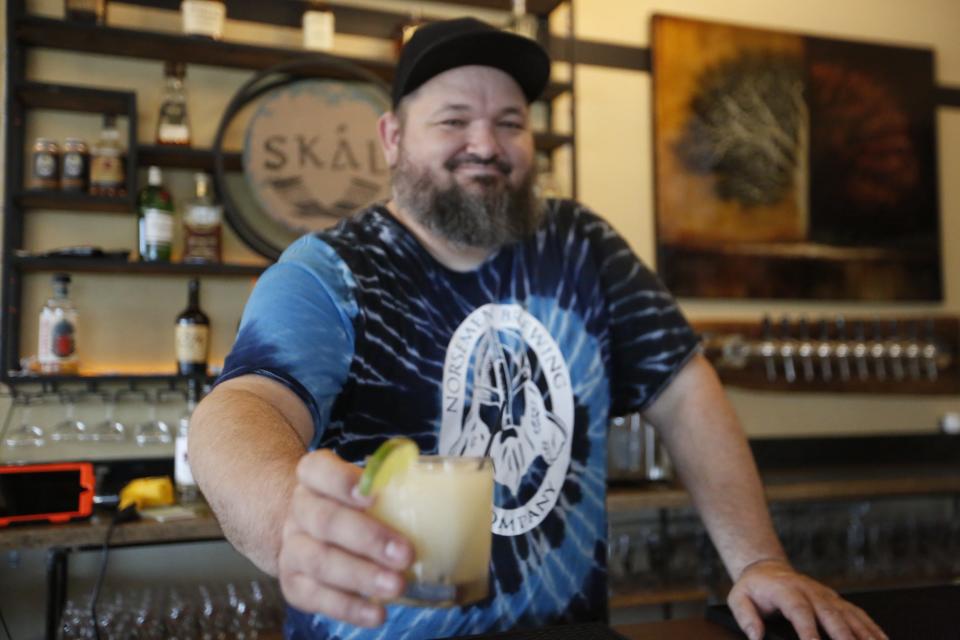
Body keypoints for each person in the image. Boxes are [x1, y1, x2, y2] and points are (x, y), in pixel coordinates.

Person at [189, 16, 887, 640]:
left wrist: (760, 560)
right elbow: (243, 407)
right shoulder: (331, 270)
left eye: (511, 123)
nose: (486, 145)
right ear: (393, 137)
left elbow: (684, 388)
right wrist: (287, 519)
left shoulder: (580, 243)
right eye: (454, 120)